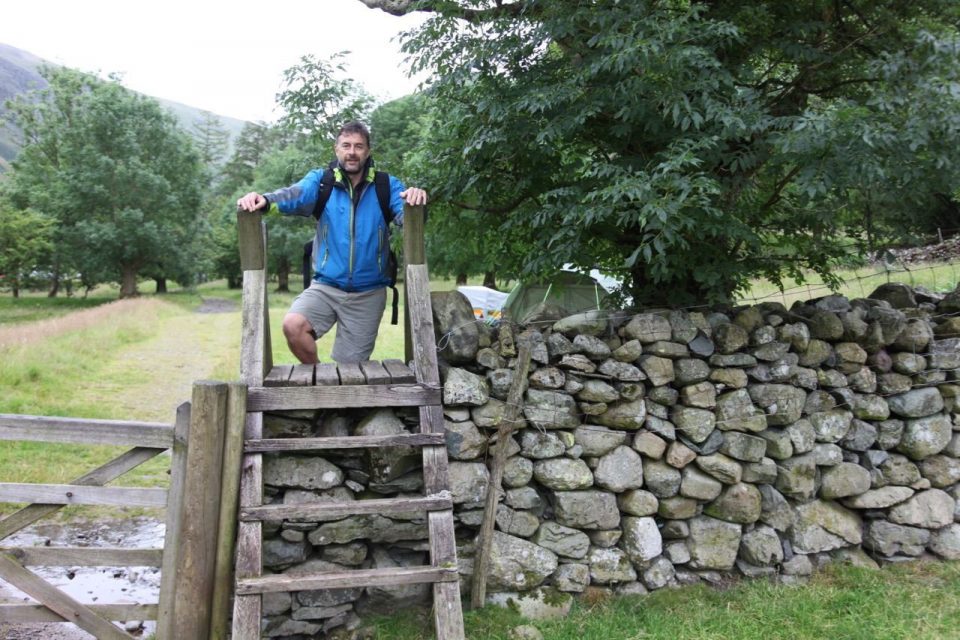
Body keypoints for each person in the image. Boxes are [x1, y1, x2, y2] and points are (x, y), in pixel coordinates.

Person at [237, 121, 427, 364]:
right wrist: (265, 200)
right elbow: (295, 195)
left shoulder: (386, 185)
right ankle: (318, 375)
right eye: (346, 145)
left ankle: (337, 381)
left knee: (349, 371)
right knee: (293, 326)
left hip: (368, 293)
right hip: (325, 286)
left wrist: (415, 202)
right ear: (336, 149)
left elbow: (407, 215)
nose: (352, 152)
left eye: (358, 146)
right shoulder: (321, 181)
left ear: (368, 151)